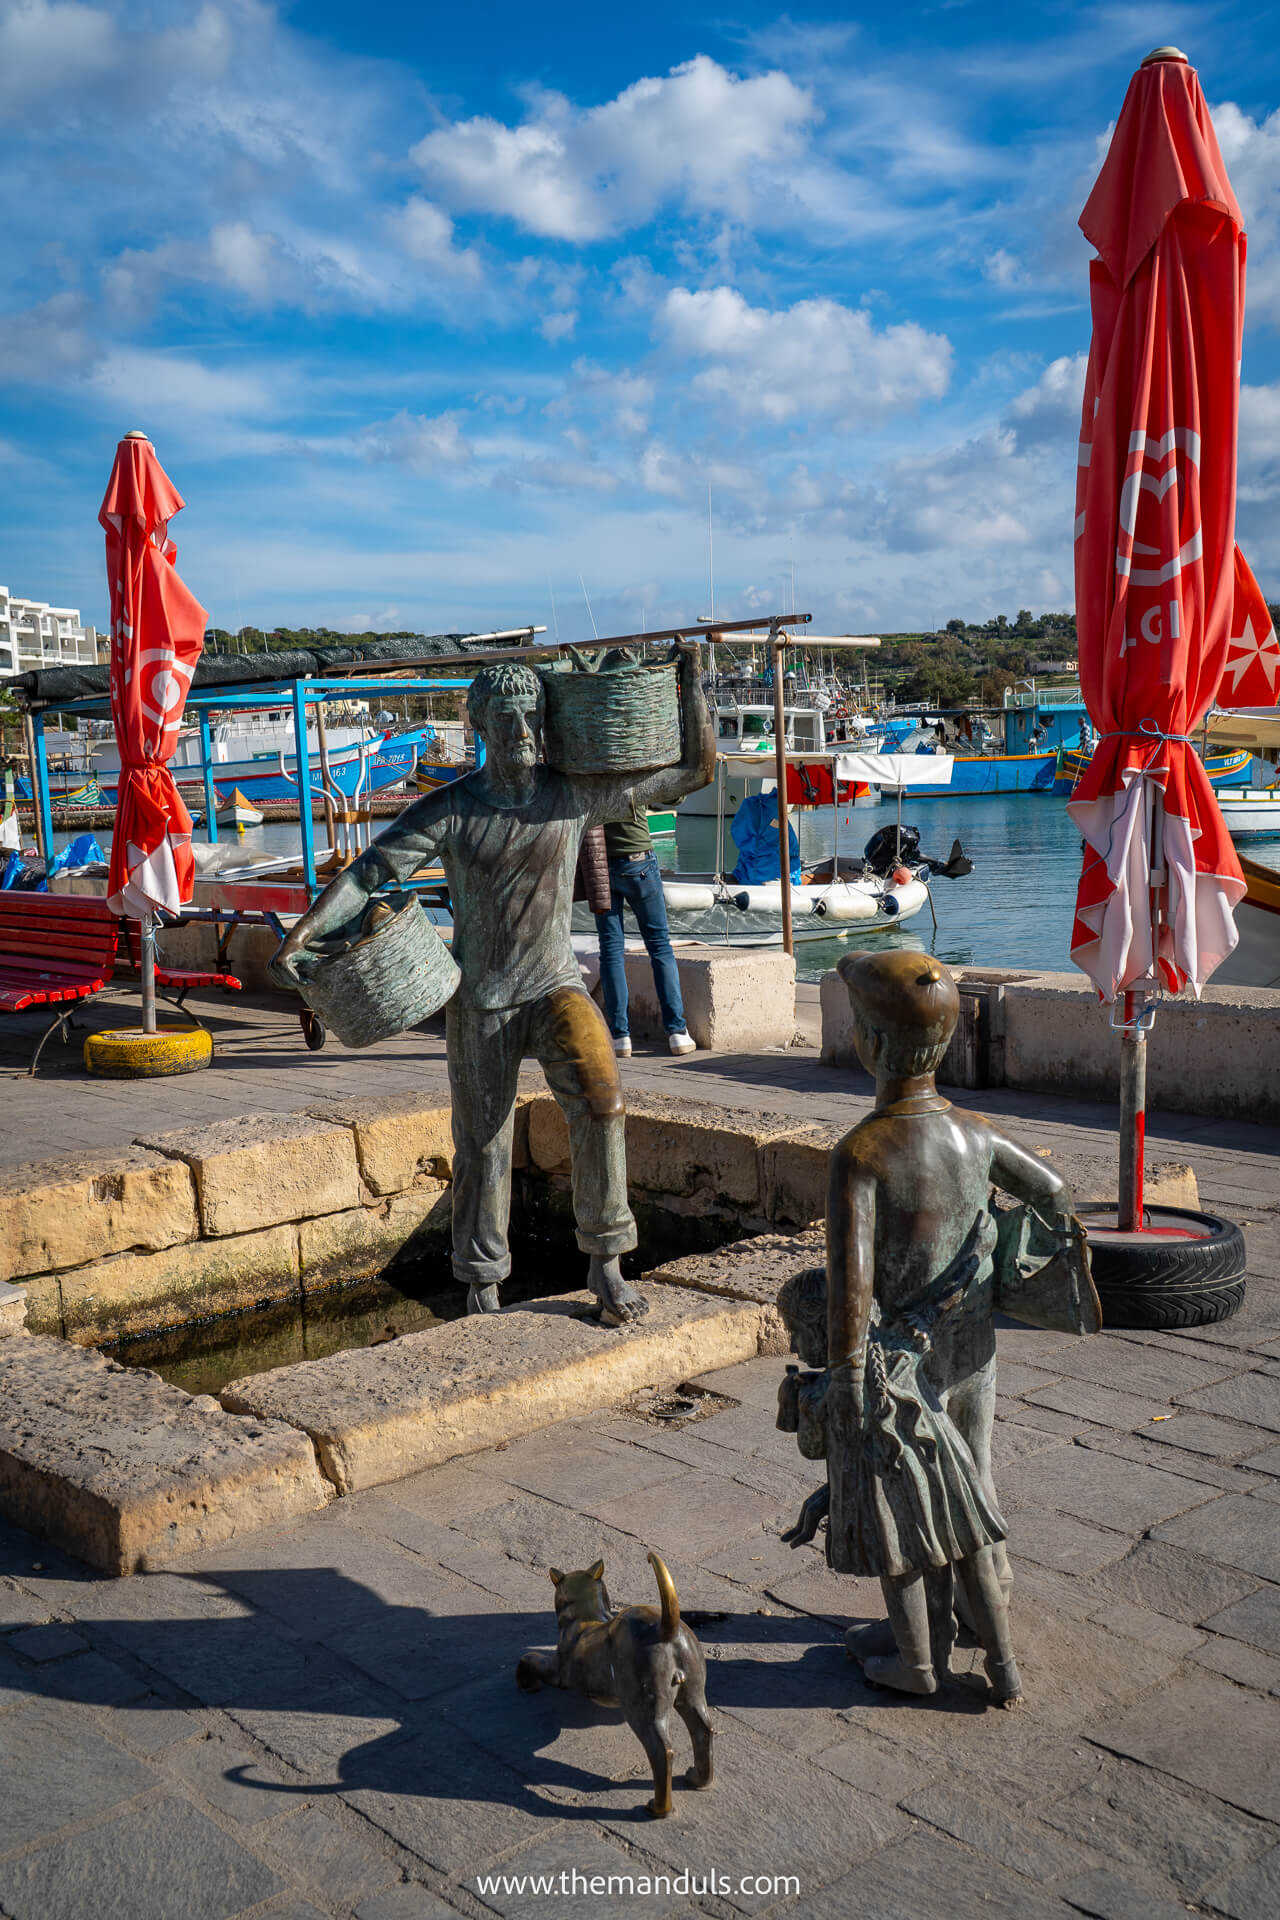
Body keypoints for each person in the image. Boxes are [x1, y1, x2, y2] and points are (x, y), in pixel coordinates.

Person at [274, 643, 715, 1327]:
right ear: (480, 728)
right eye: (505, 720)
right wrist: (303, 934)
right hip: (479, 997)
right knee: (482, 1141)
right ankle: (481, 1282)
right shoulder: (450, 809)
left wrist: (693, 686)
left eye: (531, 717)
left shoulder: (571, 795)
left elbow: (692, 771)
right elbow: (368, 875)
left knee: (601, 1101)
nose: (522, 734)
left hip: (555, 986)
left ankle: (605, 1264)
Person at [777, 950, 1094, 1706]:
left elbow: (853, 1285)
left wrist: (848, 1375)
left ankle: (917, 1648)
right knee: (971, 1478)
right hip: (971, 1347)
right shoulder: (974, 1134)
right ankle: (990, 1616)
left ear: (873, 1045)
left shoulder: (861, 1152)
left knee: (904, 1501)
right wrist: (993, 1247)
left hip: (895, 1363)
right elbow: (1054, 1193)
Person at [594, 801, 696, 1058]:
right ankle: (677, 1033)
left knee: (610, 951)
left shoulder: (585, 767)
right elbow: (672, 796)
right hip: (638, 861)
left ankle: (620, 1037)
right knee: (660, 947)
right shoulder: (633, 763)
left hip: (600, 864)